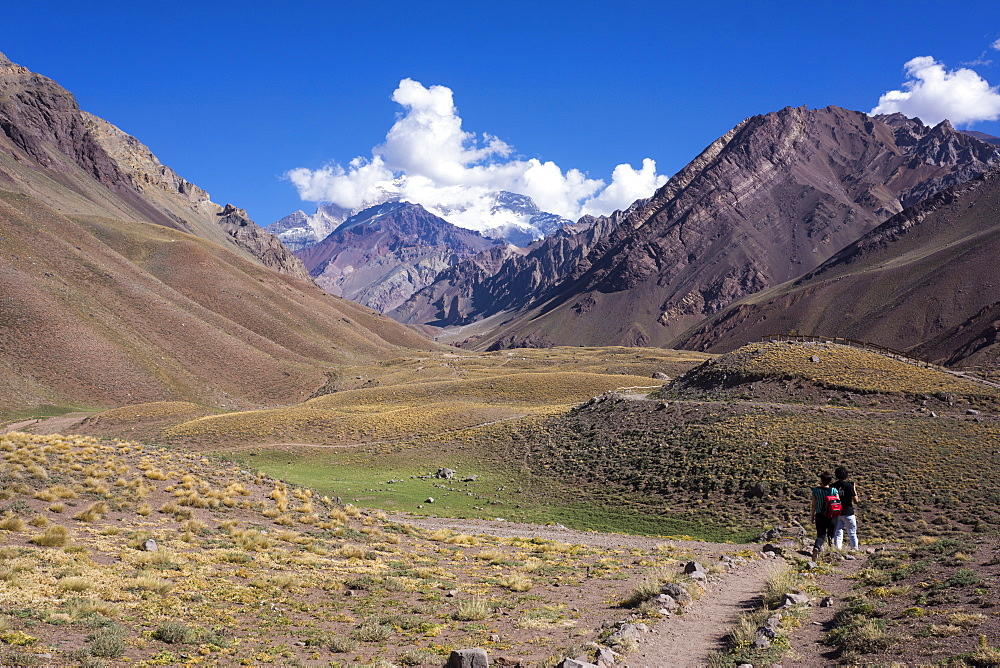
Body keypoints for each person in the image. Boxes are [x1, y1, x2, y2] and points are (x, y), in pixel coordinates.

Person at [810, 471, 839, 559]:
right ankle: (830, 554)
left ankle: (816, 548)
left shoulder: (815, 490)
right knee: (831, 535)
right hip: (832, 516)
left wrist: (812, 516)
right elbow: (838, 502)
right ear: (830, 481)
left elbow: (813, 505)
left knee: (821, 535)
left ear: (821, 480)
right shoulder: (834, 490)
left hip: (819, 515)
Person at [832, 465, 860, 550]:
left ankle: (837, 550)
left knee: (838, 533)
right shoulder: (849, 486)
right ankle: (854, 549)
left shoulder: (832, 486)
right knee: (852, 533)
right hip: (848, 512)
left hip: (836, 512)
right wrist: (853, 488)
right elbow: (856, 501)